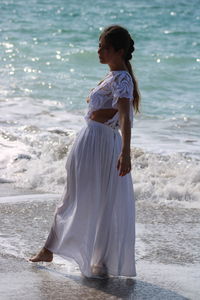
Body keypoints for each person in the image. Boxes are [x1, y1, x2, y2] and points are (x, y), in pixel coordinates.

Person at [29, 24, 141, 279]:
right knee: (81, 198)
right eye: (99, 45)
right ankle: (78, 255)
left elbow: (124, 116)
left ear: (120, 51)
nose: (99, 50)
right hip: (93, 142)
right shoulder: (113, 77)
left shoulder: (122, 78)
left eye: (105, 47)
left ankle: (61, 251)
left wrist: (126, 152)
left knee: (87, 200)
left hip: (101, 145)